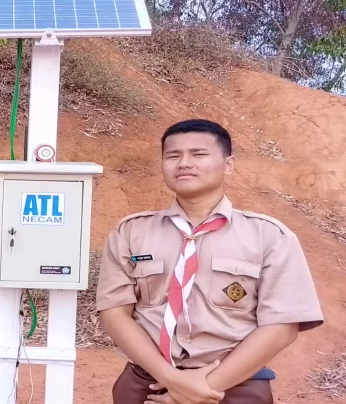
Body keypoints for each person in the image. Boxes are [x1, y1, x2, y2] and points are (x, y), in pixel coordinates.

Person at [96, 119, 324, 404]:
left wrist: (202, 388)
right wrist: (172, 379)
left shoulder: (269, 236)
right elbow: (114, 313)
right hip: (146, 385)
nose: (184, 163)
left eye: (198, 154)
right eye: (173, 156)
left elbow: (282, 327)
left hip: (234, 388)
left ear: (228, 164)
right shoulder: (130, 232)